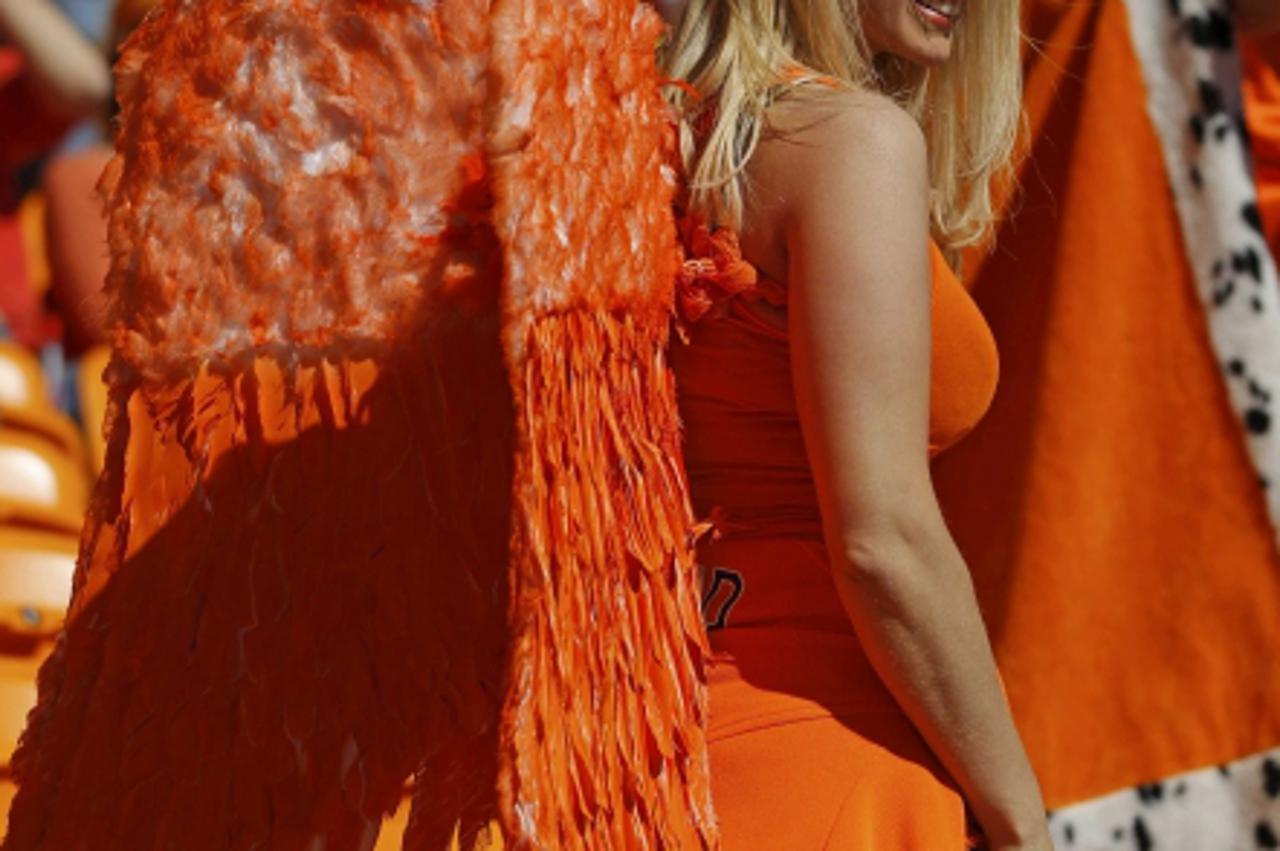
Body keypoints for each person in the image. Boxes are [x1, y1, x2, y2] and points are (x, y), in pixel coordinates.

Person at [657, 1, 1052, 848]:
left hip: (649, 743)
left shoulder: (617, 136)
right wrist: (1021, 818)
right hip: (826, 742)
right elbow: (884, 541)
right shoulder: (850, 143)